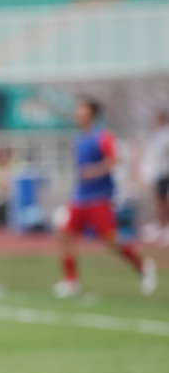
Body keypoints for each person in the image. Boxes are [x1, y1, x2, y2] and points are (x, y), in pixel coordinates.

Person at [54, 96, 157, 297]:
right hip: (80, 198)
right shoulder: (78, 138)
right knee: (65, 237)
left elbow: (114, 160)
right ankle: (71, 281)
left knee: (111, 242)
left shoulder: (102, 136)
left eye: (81, 109)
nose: (77, 112)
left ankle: (142, 265)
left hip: (99, 198)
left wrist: (95, 170)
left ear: (91, 113)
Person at [141, 109, 169, 247]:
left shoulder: (165, 134)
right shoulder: (156, 135)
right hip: (158, 173)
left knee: (163, 200)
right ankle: (161, 226)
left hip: (165, 172)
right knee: (159, 199)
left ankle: (165, 226)